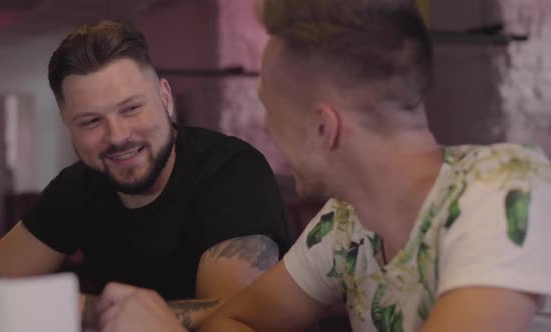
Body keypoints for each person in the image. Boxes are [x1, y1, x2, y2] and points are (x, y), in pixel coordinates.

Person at [197, 0, 551, 331]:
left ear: (324, 129)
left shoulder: (507, 191)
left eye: (270, 110)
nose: (267, 129)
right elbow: (237, 318)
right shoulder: (344, 224)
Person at [0, 19, 294, 330]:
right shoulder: (77, 187)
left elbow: (235, 315)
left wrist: (81, 308)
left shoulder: (230, 171)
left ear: (165, 99)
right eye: (91, 121)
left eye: (132, 109)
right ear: (68, 125)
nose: (117, 135)